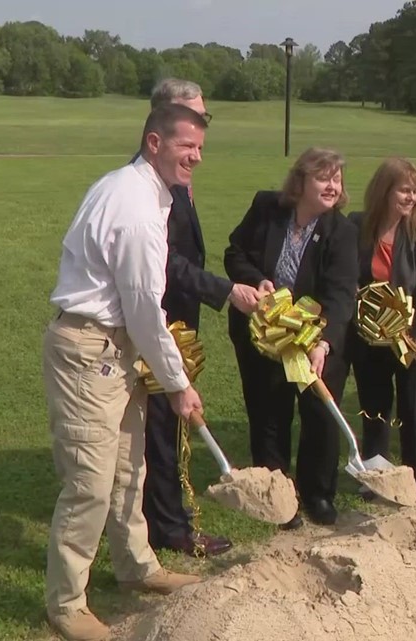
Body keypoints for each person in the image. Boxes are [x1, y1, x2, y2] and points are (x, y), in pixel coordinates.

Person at [42, 103, 206, 641]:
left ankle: (137, 565)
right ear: (154, 142)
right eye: (186, 146)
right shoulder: (135, 206)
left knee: (129, 468)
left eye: (200, 148)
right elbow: (142, 306)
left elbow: (141, 311)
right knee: (89, 482)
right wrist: (179, 385)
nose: (196, 157)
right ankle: (66, 603)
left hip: (119, 348)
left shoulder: (144, 191)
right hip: (91, 349)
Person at [138, 78, 261, 559]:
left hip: (174, 318)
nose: (201, 136)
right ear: (163, 125)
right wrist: (226, 289)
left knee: (165, 429)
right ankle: (170, 528)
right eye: (194, 121)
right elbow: (166, 262)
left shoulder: (171, 182)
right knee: (162, 431)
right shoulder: (146, 188)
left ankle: (157, 519)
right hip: (155, 320)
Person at [223, 147, 358, 528]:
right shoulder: (267, 207)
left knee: (319, 413)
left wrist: (324, 342)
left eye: (337, 179)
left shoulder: (343, 232)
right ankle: (278, 496)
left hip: (315, 339)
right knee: (268, 412)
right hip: (263, 334)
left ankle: (318, 494)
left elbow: (341, 294)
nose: (332, 186)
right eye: (323, 178)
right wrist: (255, 280)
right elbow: (235, 253)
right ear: (300, 182)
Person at [348, 158, 416, 494]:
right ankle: (375, 475)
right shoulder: (357, 226)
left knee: (414, 412)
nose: (411, 198)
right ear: (384, 190)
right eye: (404, 190)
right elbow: (347, 279)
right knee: (374, 408)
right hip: (368, 339)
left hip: (412, 340)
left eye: (415, 192)